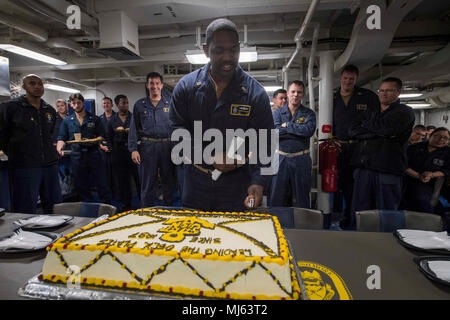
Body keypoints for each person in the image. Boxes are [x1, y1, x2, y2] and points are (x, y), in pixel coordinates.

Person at [169, 18, 274, 211]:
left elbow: (265, 141)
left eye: (233, 50)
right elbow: (177, 131)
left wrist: (258, 181)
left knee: (237, 235)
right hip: (196, 182)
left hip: (238, 185)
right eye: (219, 50)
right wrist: (208, 155)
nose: (228, 57)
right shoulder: (186, 88)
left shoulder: (255, 93)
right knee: (194, 234)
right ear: (205, 50)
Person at [348, 77, 415, 228]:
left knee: (386, 212)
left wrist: (367, 127)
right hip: (364, 168)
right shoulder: (371, 111)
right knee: (360, 211)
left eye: (389, 90)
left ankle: (386, 243)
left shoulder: (404, 112)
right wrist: (379, 131)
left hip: (387, 170)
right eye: (381, 90)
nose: (384, 94)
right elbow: (352, 131)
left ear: (398, 92)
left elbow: (389, 130)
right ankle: (359, 242)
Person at [0, 74, 61, 214]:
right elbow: (2, 135)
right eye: (32, 83)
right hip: (25, 166)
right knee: (25, 208)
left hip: (49, 165)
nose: (37, 86)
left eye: (40, 84)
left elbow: (49, 134)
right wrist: (17, 153)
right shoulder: (10, 108)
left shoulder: (49, 110)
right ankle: (27, 236)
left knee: (55, 208)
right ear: (24, 87)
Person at [332, 64, 379, 228]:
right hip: (338, 148)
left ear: (356, 79)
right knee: (337, 184)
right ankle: (339, 215)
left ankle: (355, 219)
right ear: (341, 78)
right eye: (345, 78)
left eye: (351, 79)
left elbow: (375, 122)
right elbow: (327, 122)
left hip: (361, 148)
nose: (348, 81)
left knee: (358, 186)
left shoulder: (367, 97)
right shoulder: (332, 97)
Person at [128, 72, 176, 207]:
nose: (154, 86)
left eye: (157, 83)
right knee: (147, 184)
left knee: (169, 183)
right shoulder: (139, 105)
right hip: (147, 147)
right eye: (151, 83)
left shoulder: (171, 103)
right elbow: (133, 129)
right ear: (147, 85)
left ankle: (169, 213)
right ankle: (146, 214)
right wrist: (133, 149)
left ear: (161, 85)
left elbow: (177, 126)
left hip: (167, 147)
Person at [57, 93, 112, 204]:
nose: (77, 105)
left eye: (79, 102)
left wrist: (96, 140)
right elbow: (62, 137)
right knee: (81, 185)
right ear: (71, 105)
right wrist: (59, 149)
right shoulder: (67, 121)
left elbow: (102, 135)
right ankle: (87, 208)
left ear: (83, 103)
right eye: (74, 103)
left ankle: (106, 207)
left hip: (94, 154)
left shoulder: (94, 119)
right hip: (77, 156)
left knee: (101, 183)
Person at [269, 80, 316, 208]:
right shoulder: (277, 113)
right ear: (288, 93)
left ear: (303, 95)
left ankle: (304, 225)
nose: (295, 95)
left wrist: (288, 126)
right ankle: (274, 224)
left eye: (299, 92)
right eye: (293, 92)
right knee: (276, 196)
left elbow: (309, 131)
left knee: (302, 197)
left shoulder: (309, 114)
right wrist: (297, 129)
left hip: (301, 159)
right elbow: (275, 132)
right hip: (281, 158)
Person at [402, 127, 450, 213]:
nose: (441, 139)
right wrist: (418, 175)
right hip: (407, 179)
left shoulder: (447, 153)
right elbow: (403, 164)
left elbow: (447, 169)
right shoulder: (414, 148)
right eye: (437, 136)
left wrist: (432, 174)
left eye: (445, 138)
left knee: (421, 200)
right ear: (430, 135)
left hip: (429, 185)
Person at [106, 94, 140, 211]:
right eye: (123, 103)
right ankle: (126, 204)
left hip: (133, 151)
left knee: (138, 178)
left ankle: (143, 203)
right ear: (117, 105)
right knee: (122, 180)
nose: (125, 105)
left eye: (126, 103)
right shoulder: (112, 120)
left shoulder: (134, 117)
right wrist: (111, 149)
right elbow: (108, 137)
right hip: (118, 152)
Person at [99, 97, 116, 199]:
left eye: (108, 103)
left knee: (116, 173)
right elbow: (97, 135)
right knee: (105, 173)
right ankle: (107, 194)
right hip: (103, 149)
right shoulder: (99, 119)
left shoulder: (117, 117)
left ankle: (116, 193)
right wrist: (101, 146)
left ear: (112, 105)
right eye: (104, 103)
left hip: (115, 148)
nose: (106, 105)